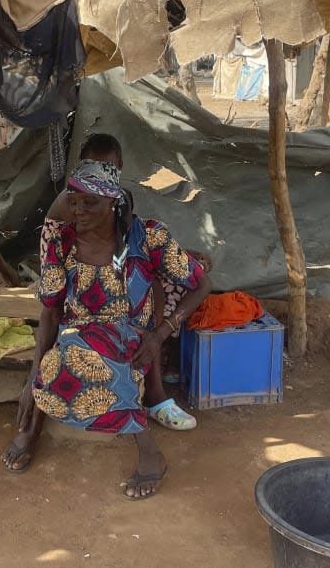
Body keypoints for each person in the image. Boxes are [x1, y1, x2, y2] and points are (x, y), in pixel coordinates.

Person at [2, 158, 211, 499]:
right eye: (72, 201)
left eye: (89, 203)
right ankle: (35, 426)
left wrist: (160, 334)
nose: (77, 211)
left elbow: (201, 283)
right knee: (63, 361)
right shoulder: (60, 242)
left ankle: (150, 454)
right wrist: (32, 377)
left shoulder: (147, 237)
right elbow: (51, 313)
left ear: (113, 203)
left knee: (93, 362)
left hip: (133, 336)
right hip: (77, 336)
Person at [46, 132, 208, 432]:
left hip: (129, 322)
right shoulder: (64, 231)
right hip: (82, 323)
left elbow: (195, 280)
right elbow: (52, 299)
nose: (101, 173)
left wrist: (159, 333)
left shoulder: (136, 225)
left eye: (108, 168)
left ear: (118, 169)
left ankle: (155, 394)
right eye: (92, 166)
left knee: (150, 286)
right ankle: (145, 397)